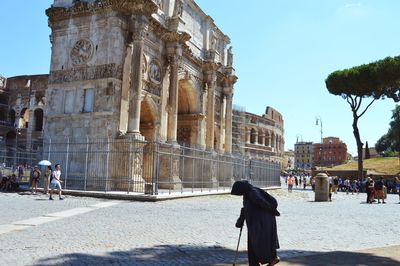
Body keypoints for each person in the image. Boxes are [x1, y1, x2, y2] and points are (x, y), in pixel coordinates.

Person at [231, 180, 280, 266]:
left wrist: (273, 210)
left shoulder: (252, 193)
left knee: (259, 244)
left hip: (262, 223)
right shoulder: (248, 194)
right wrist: (241, 219)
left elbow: (261, 202)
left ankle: (271, 258)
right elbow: (245, 208)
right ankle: (258, 262)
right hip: (256, 224)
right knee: (253, 244)